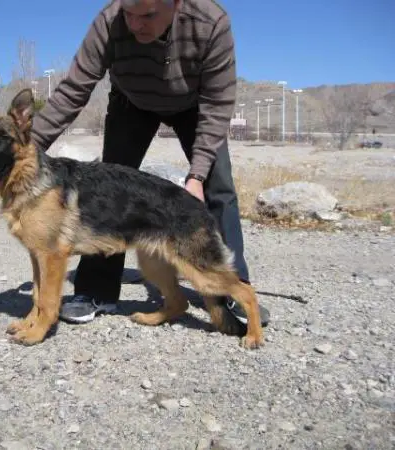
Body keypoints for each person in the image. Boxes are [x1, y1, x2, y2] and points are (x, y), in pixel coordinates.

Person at [29, 0, 270, 332]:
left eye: (147, 15)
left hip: (194, 104)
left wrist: (197, 175)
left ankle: (231, 289)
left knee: (219, 187)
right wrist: (26, 152)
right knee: (107, 188)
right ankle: (96, 291)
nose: (135, 24)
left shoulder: (211, 22)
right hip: (132, 102)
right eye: (128, 13)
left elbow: (217, 105)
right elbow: (73, 91)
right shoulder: (110, 21)